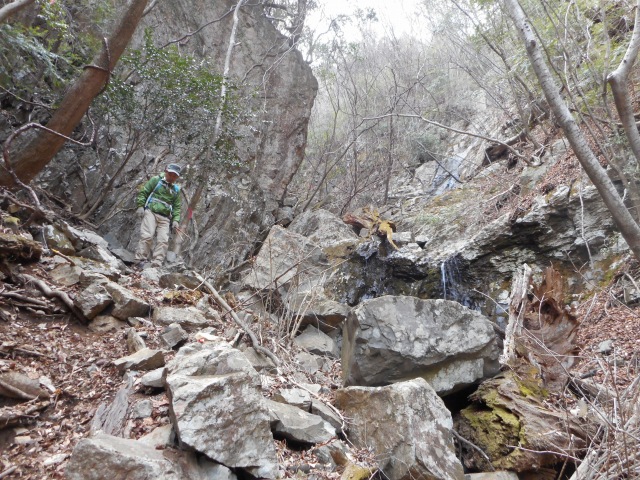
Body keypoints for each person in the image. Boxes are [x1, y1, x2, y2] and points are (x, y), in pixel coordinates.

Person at [134, 163, 182, 268]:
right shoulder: (156, 180)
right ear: (166, 172)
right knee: (147, 235)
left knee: (163, 240)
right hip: (151, 211)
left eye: (175, 176)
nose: (172, 177)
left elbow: (177, 206)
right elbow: (144, 192)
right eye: (171, 174)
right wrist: (140, 206)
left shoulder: (176, 190)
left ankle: (157, 262)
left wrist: (175, 220)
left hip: (165, 217)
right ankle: (139, 260)